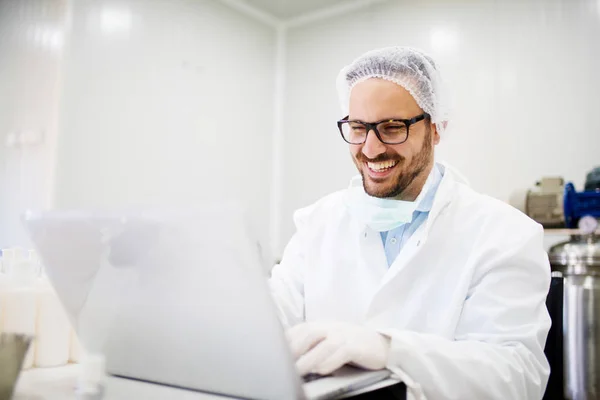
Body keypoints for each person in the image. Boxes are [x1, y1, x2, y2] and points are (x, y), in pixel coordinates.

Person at [269, 47, 551, 400]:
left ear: (434, 129)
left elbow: (516, 377)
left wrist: (390, 350)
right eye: (358, 128)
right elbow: (266, 325)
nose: (371, 149)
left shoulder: (504, 233)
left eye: (392, 127)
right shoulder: (316, 225)